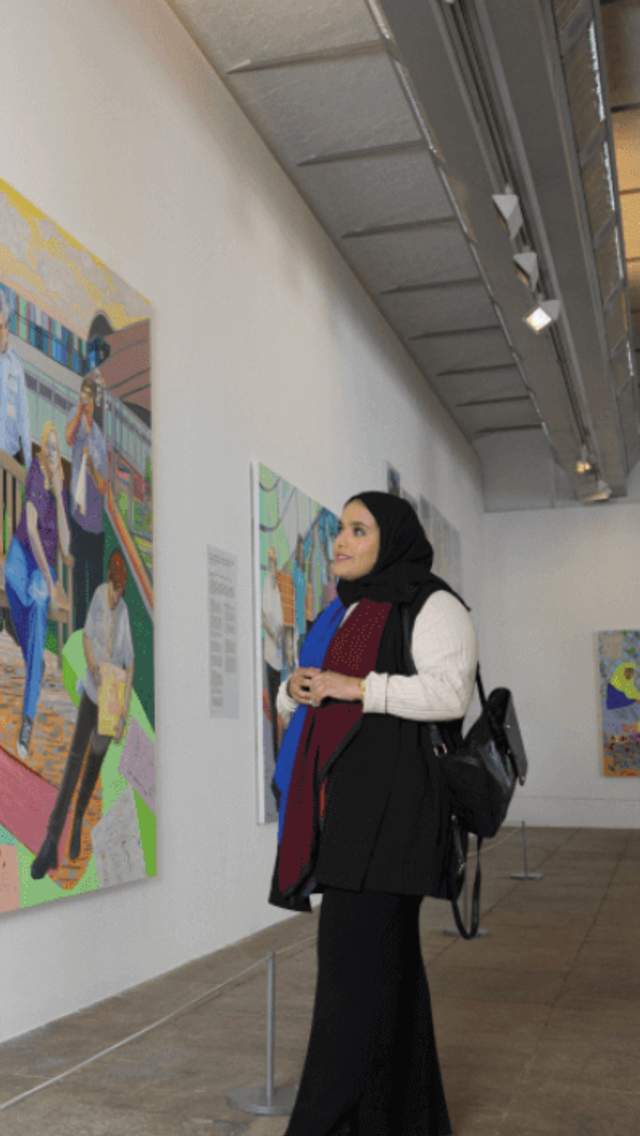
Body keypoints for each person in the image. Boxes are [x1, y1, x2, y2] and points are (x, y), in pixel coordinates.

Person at [269, 492, 478, 1136]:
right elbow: (305, 701)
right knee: (386, 978)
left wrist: (356, 687)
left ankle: (324, 1124)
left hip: (398, 818)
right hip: (349, 816)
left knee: (348, 984)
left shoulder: (432, 603)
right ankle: (406, 1120)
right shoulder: (341, 613)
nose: (341, 542)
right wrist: (293, 689)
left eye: (358, 530)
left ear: (391, 538)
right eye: (339, 530)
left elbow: (450, 693)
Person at [30, 550, 134, 879]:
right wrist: (91, 665)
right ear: (110, 581)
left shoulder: (125, 611)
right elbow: (88, 636)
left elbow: (129, 663)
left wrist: (123, 714)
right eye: (115, 590)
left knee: (93, 766)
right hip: (93, 691)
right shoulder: (99, 599)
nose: (116, 597)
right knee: (75, 761)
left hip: (112, 700)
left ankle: (77, 823)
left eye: (120, 593)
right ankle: (51, 840)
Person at [5, 422, 70, 759]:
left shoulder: (59, 486)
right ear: (42, 450)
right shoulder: (33, 472)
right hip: (23, 553)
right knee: (13, 584)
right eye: (49, 446)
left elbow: (66, 541)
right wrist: (48, 575)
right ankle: (34, 659)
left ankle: (27, 720)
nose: (52, 453)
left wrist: (60, 496)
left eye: (58, 449)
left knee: (39, 604)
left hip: (44, 565)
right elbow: (29, 529)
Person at [65, 372, 108, 629]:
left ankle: (92, 637)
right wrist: (80, 412)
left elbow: (103, 485)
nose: (87, 402)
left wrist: (92, 467)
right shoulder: (77, 416)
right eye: (84, 397)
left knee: (95, 585)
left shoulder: (102, 437)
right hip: (78, 515)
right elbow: (68, 437)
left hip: (97, 523)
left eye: (90, 398)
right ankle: (78, 636)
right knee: (78, 579)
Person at [0, 288, 31, 471]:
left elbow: (24, 419)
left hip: (9, 458)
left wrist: (28, 465)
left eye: (4, 326)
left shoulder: (16, 367)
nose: (2, 332)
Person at [261, 545, 284, 763]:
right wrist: (274, 634)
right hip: (272, 656)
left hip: (279, 657)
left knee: (282, 712)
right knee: (276, 711)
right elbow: (265, 617)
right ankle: (278, 755)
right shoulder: (268, 586)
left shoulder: (276, 587)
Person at [292, 534, 307, 665]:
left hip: (303, 624)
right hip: (297, 623)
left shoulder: (302, 572)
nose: (302, 554)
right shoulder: (296, 571)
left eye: (303, 551)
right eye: (300, 551)